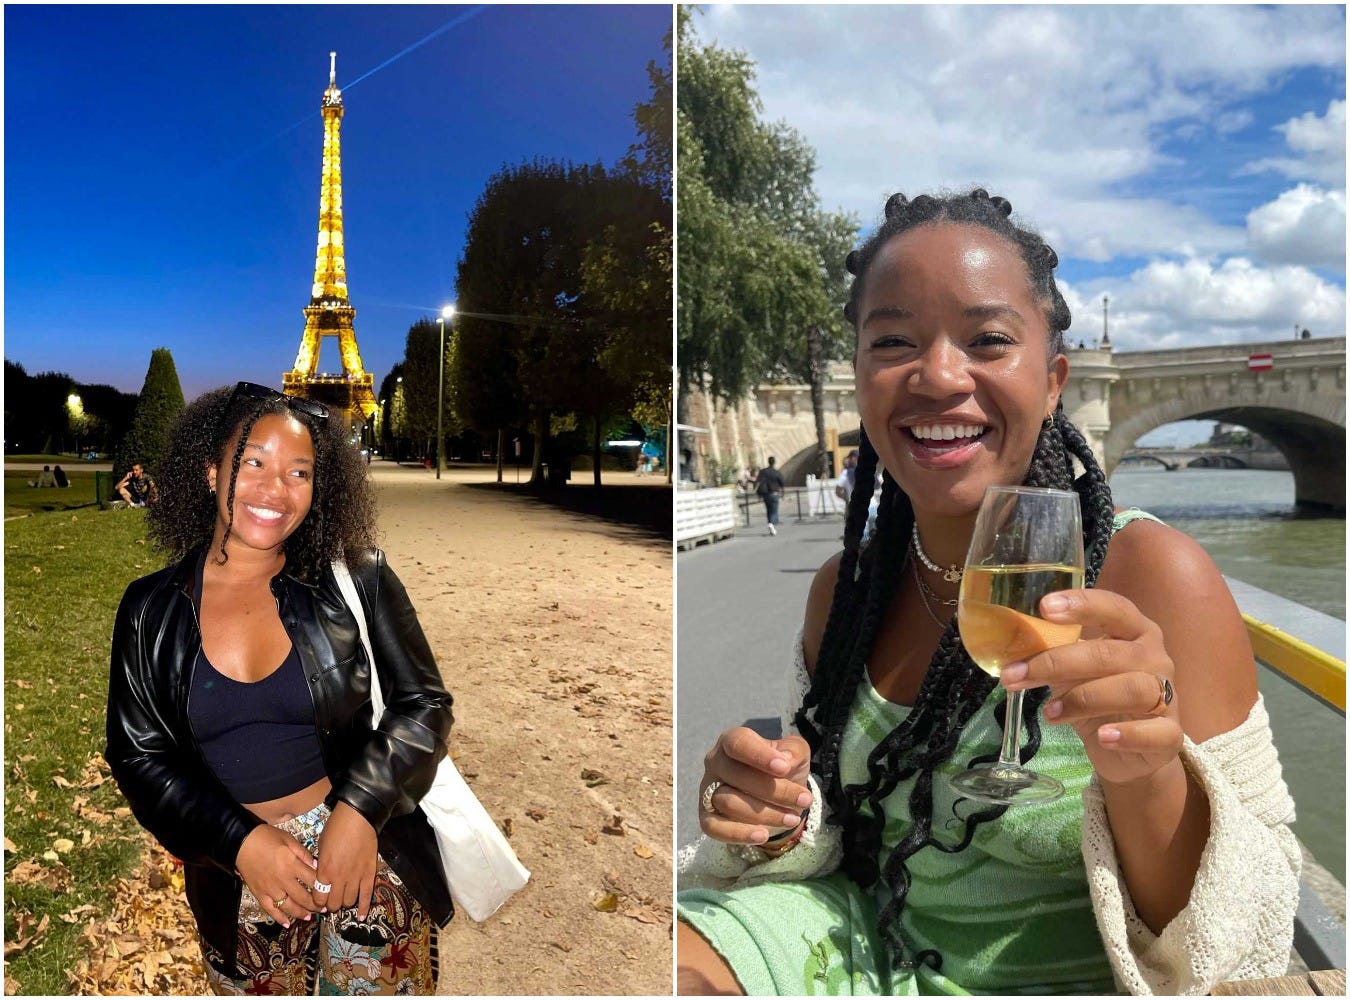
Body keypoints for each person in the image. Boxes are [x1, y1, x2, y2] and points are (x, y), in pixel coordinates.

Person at [677, 189, 1299, 995]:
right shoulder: (845, 590)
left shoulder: (1153, 575)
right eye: (892, 340)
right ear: (859, 377)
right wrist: (771, 817)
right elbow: (839, 837)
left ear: (1052, 382)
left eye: (989, 339)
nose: (938, 375)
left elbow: (1244, 930)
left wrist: (1143, 768)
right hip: (862, 946)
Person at [106, 382, 455, 995]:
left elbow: (423, 704)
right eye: (253, 463)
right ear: (212, 471)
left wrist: (359, 810)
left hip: (363, 858)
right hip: (238, 873)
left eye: (300, 472)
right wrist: (239, 843)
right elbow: (139, 758)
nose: (275, 490)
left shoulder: (359, 578)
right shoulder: (148, 609)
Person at [754, 457, 785, 536]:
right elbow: (782, 483)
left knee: (768, 510)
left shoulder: (763, 472)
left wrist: (757, 492)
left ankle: (770, 525)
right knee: (774, 510)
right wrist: (783, 493)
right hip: (774, 493)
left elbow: (757, 481)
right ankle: (771, 523)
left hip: (765, 494)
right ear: (774, 462)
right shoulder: (776, 472)